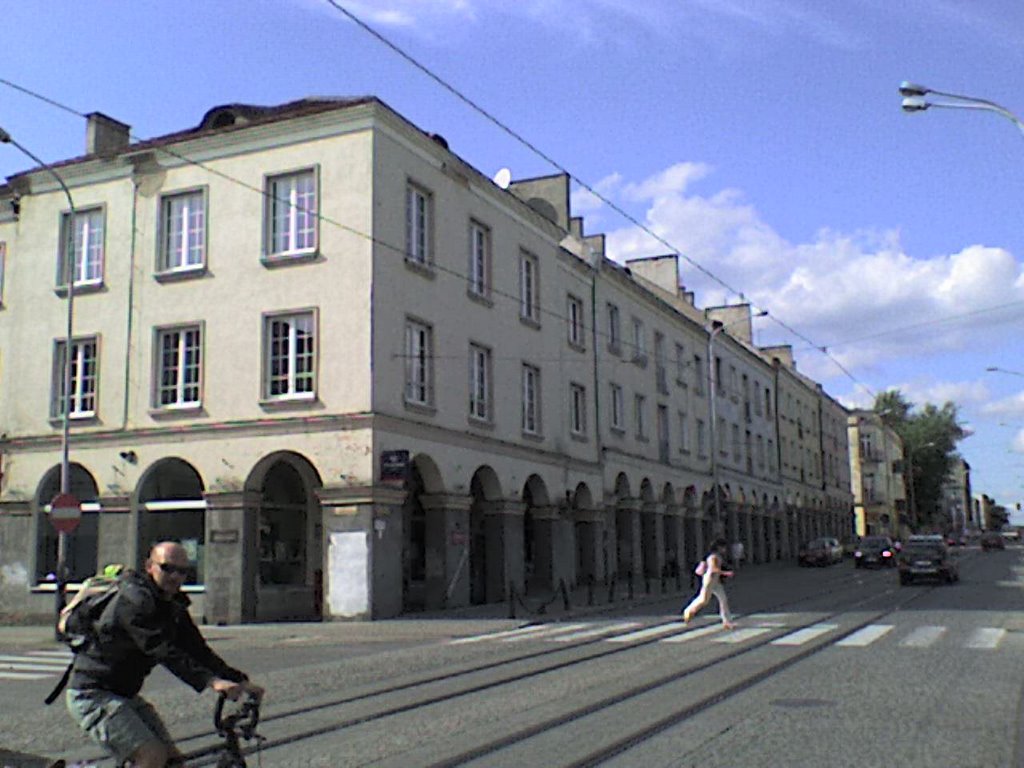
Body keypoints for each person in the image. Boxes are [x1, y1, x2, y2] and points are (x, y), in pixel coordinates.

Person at [65, 542, 264, 768]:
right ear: (150, 566)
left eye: (182, 571)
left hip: (124, 695)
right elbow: (161, 649)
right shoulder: (134, 601)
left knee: (171, 760)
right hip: (92, 693)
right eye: (167, 568)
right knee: (151, 756)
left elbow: (197, 650)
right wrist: (211, 681)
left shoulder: (172, 604)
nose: (175, 576)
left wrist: (240, 680)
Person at [681, 538, 735, 629]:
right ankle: (687, 612)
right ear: (719, 547)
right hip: (709, 580)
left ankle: (727, 621)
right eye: (723, 547)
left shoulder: (717, 556)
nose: (725, 549)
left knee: (723, 600)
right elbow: (713, 569)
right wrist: (726, 573)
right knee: (703, 600)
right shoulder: (713, 557)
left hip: (716, 581)